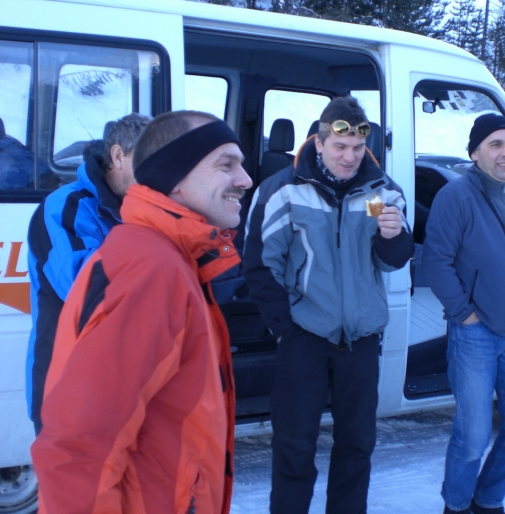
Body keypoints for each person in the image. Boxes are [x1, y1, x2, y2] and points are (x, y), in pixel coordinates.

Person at [30, 111, 252, 513]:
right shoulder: (151, 269)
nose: (246, 179)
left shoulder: (172, 258)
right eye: (226, 164)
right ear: (175, 176)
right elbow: (79, 447)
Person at [243, 96, 413, 514]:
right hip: (305, 337)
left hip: (361, 340)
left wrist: (393, 238)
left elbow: (392, 260)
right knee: (294, 447)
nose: (349, 157)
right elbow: (260, 265)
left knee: (357, 446)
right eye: (340, 147)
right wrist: (286, 327)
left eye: (357, 148)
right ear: (319, 143)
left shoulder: (380, 192)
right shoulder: (283, 191)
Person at [422, 114, 505, 514]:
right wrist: (463, 313)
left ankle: (489, 498)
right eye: (496, 144)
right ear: (475, 151)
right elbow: (437, 260)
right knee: (473, 435)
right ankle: (458, 505)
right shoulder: (457, 197)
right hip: (475, 334)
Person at [26, 112, 150, 435]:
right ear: (118, 156)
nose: (157, 172)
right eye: (148, 159)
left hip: (125, 381)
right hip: (66, 383)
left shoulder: (136, 207)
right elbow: (85, 288)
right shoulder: (67, 207)